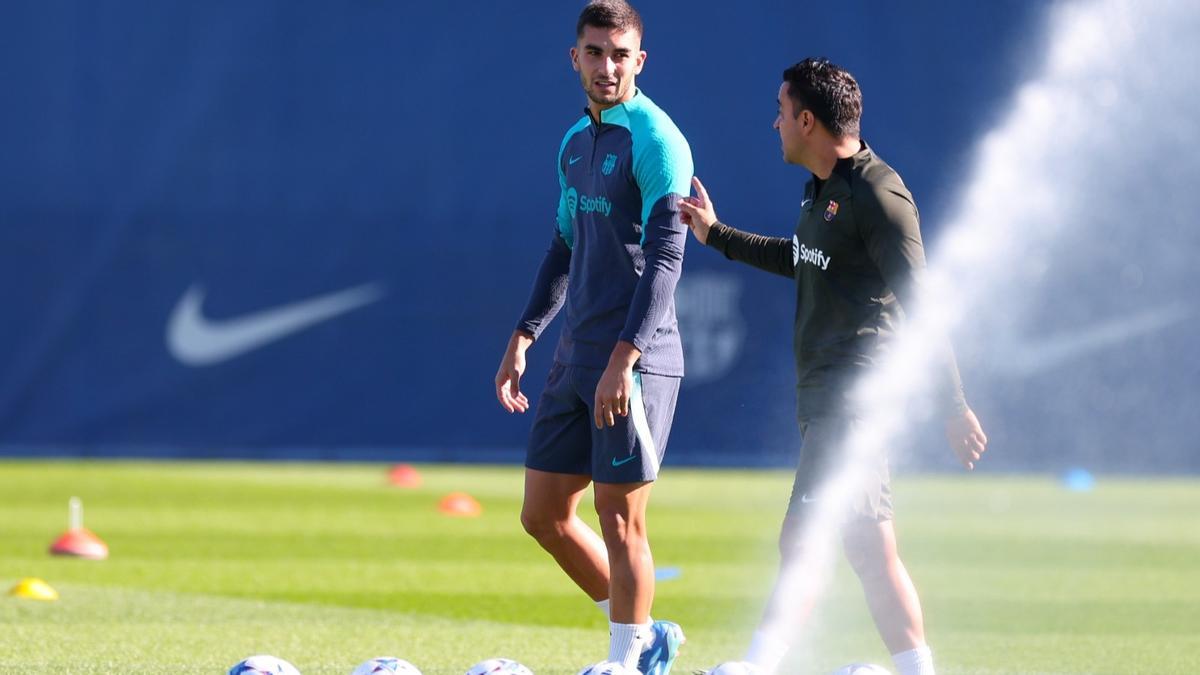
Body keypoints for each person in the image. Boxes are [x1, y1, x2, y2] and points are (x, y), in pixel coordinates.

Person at [676, 58, 988, 675]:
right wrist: (717, 235)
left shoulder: (879, 196)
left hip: (856, 398)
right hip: (825, 396)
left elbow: (926, 307)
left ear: (809, 120)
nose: (775, 123)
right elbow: (805, 256)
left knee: (804, 536)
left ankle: (759, 665)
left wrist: (954, 406)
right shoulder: (822, 186)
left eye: (782, 111)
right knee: (871, 550)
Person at [493, 1, 693, 672]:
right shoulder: (575, 142)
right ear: (574, 58)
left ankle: (627, 659)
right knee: (543, 514)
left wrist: (625, 358)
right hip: (575, 352)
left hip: (633, 357)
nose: (607, 65)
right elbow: (562, 244)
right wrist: (524, 334)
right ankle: (645, 635)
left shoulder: (657, 140)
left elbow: (667, 259)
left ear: (640, 60)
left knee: (620, 519)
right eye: (595, 51)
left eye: (620, 53)